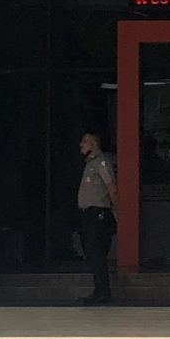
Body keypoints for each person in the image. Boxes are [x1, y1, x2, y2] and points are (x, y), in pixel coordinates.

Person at [74, 130, 117, 305]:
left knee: (96, 252)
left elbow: (111, 186)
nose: (81, 145)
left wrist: (116, 209)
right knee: (92, 252)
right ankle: (100, 290)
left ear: (94, 144)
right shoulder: (89, 163)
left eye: (85, 142)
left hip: (97, 213)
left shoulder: (101, 162)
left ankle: (102, 292)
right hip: (88, 213)